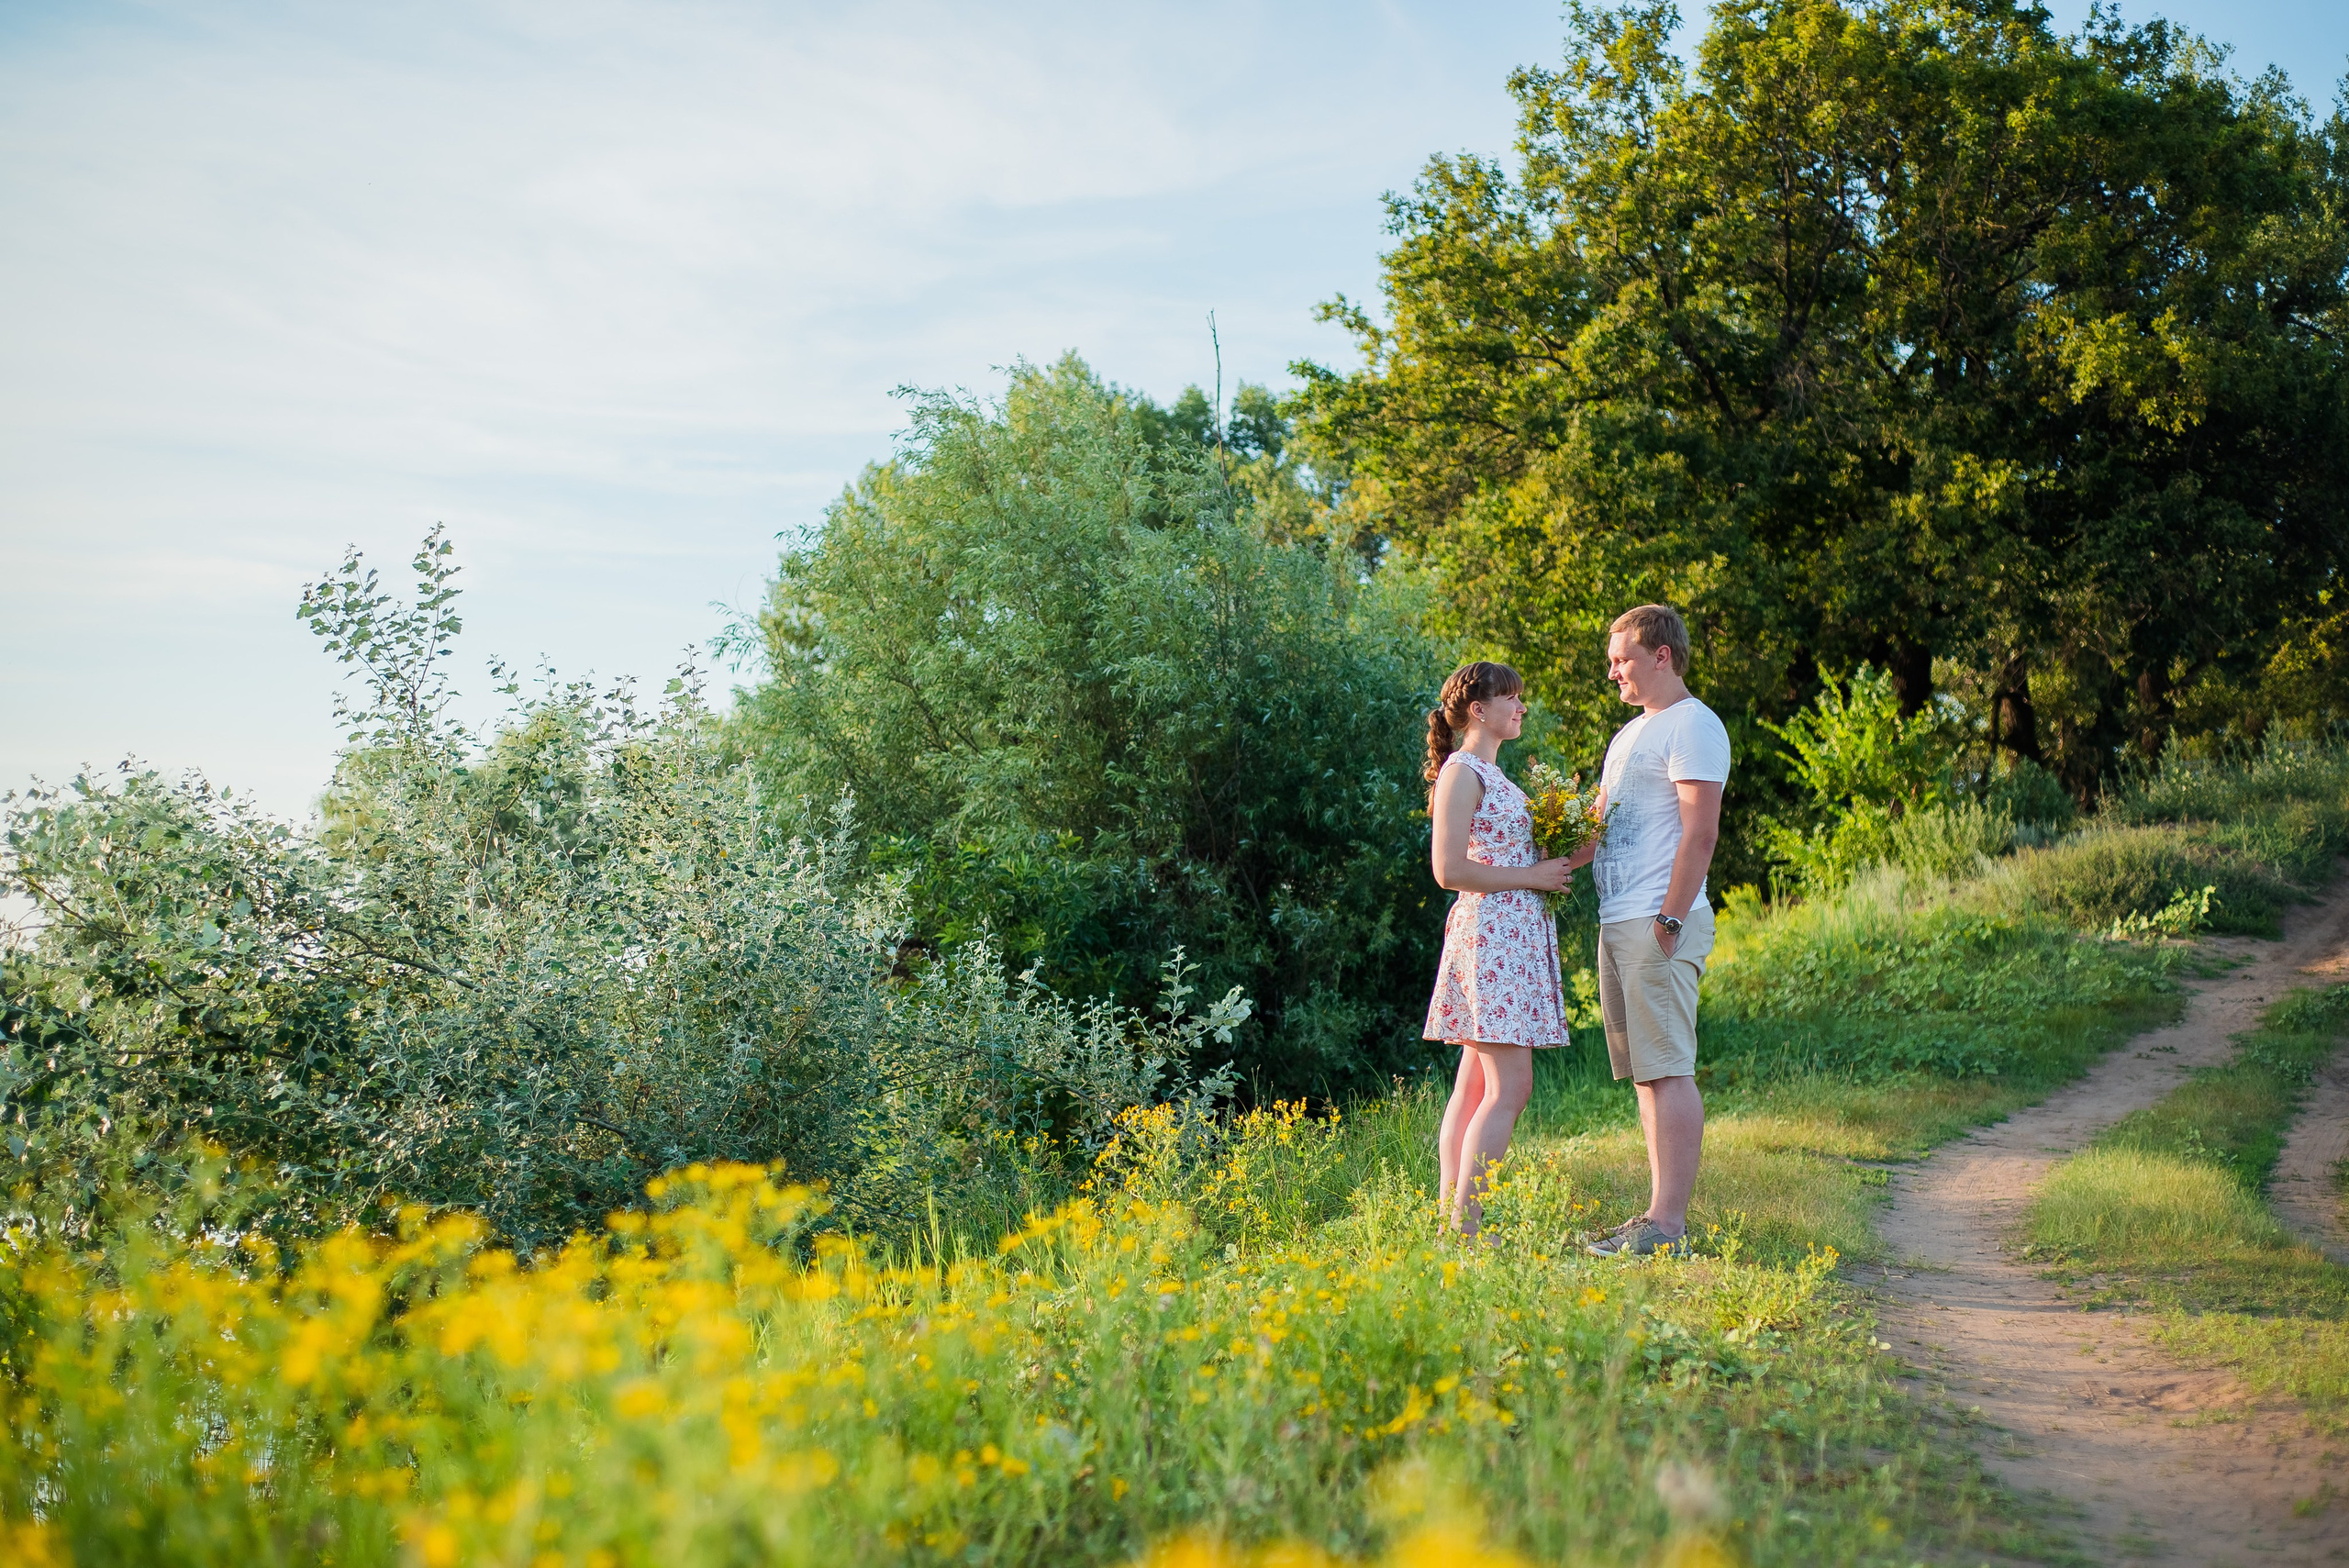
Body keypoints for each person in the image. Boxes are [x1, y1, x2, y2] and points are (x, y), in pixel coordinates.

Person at [1566, 605, 1731, 1258]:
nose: (1613, 672)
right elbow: (1595, 830)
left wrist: (1668, 917)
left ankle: (1668, 1227)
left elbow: (1701, 832)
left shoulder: (1694, 725)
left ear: (1661, 655)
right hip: (1619, 919)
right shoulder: (1629, 734)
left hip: (1659, 920)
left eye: (1622, 660)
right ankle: (1654, 1218)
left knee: (1668, 1069)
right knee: (1645, 1074)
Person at [1421, 661, 1575, 1238]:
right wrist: (1534, 876)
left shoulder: (1497, 776)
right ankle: (1465, 1226)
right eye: (1510, 697)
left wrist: (1593, 829)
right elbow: (1449, 869)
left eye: (1520, 696)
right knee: (1511, 1087)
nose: (1521, 706)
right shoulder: (1462, 772)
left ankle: (1450, 1225)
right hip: (1491, 938)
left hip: (1510, 936)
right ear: (1478, 710)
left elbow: (1530, 860)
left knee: (1477, 1086)